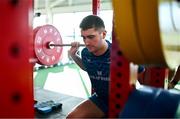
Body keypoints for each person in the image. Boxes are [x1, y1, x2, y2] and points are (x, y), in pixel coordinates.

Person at [66, 15, 111, 118]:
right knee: (71, 117)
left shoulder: (119, 54)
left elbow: (142, 80)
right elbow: (87, 67)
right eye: (83, 37)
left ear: (103, 34)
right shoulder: (85, 53)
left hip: (124, 101)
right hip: (101, 99)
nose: (86, 42)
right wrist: (74, 55)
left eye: (91, 37)